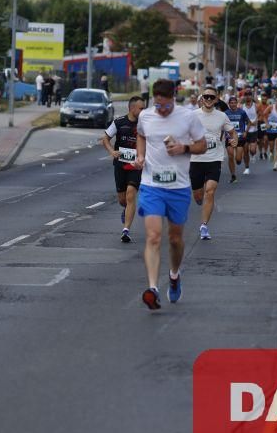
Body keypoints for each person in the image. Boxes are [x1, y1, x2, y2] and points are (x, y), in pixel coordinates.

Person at [134, 79, 207, 310]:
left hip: (178, 187)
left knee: (175, 239)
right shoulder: (146, 116)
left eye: (166, 106)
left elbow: (202, 145)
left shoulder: (188, 117)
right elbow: (141, 135)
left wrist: (184, 148)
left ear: (173, 98)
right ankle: (153, 288)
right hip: (151, 184)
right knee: (153, 236)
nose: (162, 110)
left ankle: (174, 275)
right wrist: (140, 156)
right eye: (158, 105)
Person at [191, 87, 235, 241]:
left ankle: (204, 226)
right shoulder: (193, 115)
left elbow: (232, 132)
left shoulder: (222, 116)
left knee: (210, 191)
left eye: (212, 97)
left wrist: (234, 140)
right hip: (196, 160)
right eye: (206, 96)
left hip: (214, 159)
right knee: (198, 195)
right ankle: (199, 199)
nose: (209, 99)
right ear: (202, 98)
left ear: (216, 99)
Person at [101, 97, 145, 244]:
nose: (143, 111)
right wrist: (112, 151)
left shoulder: (145, 124)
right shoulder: (119, 122)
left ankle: (126, 230)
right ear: (132, 108)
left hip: (136, 166)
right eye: (141, 108)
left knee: (131, 194)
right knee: (123, 199)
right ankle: (126, 210)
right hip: (120, 165)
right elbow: (105, 138)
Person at [224, 95, 249, 183]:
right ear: (229, 104)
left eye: (235, 103)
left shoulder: (242, 112)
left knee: (238, 159)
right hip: (229, 137)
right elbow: (222, 125)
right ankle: (233, 175)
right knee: (230, 156)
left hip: (240, 137)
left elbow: (248, 122)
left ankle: (238, 161)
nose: (233, 104)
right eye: (231, 103)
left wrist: (245, 131)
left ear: (237, 103)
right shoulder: (225, 113)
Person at [240, 92, 260, 174]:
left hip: (253, 130)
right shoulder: (242, 106)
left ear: (251, 97)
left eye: (249, 95)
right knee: (245, 150)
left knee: (252, 150)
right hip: (245, 131)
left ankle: (253, 154)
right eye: (246, 95)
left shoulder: (255, 106)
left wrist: (256, 121)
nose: (248, 97)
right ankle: (247, 168)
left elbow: (260, 114)